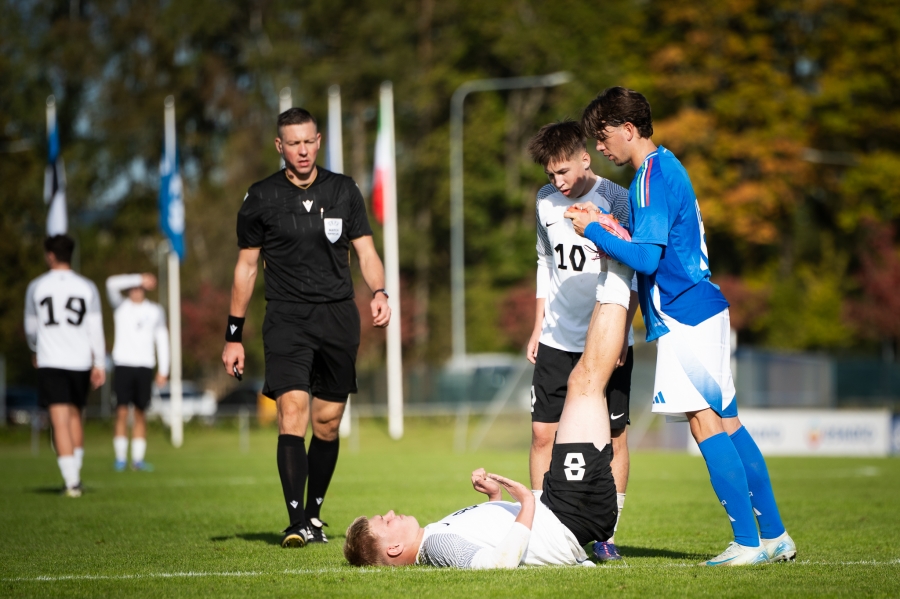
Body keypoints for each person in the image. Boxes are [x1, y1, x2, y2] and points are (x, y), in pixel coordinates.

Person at [570, 86, 796, 566]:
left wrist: (593, 231)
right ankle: (774, 537)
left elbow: (647, 257)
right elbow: (656, 244)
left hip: (684, 312)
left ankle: (749, 545)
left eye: (604, 136)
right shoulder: (666, 167)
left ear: (628, 130)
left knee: (705, 423)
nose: (600, 148)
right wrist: (611, 227)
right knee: (729, 423)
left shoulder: (649, 177)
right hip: (701, 307)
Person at [342, 215, 638, 569]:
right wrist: (527, 503)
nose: (390, 513)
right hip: (569, 516)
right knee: (586, 383)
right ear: (393, 549)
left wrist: (495, 499)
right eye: (385, 523)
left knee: (585, 382)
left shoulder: (433, 534)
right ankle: (621, 266)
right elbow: (494, 566)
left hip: (560, 508)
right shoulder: (436, 548)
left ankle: (616, 270)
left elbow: (490, 538)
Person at [222, 107, 391, 548]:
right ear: (280, 146)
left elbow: (367, 253)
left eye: (308, 141)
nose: (301, 149)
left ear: (319, 142)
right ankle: (295, 522)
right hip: (286, 318)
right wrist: (233, 335)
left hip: (337, 317)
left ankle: (314, 516)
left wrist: (379, 292)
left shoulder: (344, 191)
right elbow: (245, 268)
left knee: (327, 422)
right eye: (292, 143)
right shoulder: (260, 197)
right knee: (291, 412)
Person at [525, 120, 639, 561]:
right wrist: (537, 326)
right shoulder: (543, 200)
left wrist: (626, 328)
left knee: (613, 436)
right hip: (556, 336)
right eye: (551, 175)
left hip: (604, 338)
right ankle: (540, 524)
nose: (558, 183)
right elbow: (543, 262)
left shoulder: (616, 199)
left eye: (564, 172)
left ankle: (607, 533)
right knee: (541, 434)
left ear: (584, 159)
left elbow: (632, 267)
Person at [24, 235, 106, 497]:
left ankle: (71, 482)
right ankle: (75, 475)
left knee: (58, 420)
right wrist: (99, 362)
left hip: (51, 359)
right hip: (80, 360)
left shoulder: (37, 286)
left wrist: (35, 349)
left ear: (50, 255)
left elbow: (30, 328)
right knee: (74, 416)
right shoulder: (87, 286)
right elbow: (96, 328)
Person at [106, 272, 169, 472]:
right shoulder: (121, 307)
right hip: (123, 364)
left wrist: (163, 369)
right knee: (122, 412)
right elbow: (111, 283)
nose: (136, 290)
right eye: (134, 286)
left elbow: (162, 338)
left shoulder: (155, 310)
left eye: (140, 286)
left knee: (141, 413)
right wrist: (138, 278)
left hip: (144, 365)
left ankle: (138, 460)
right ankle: (120, 459)